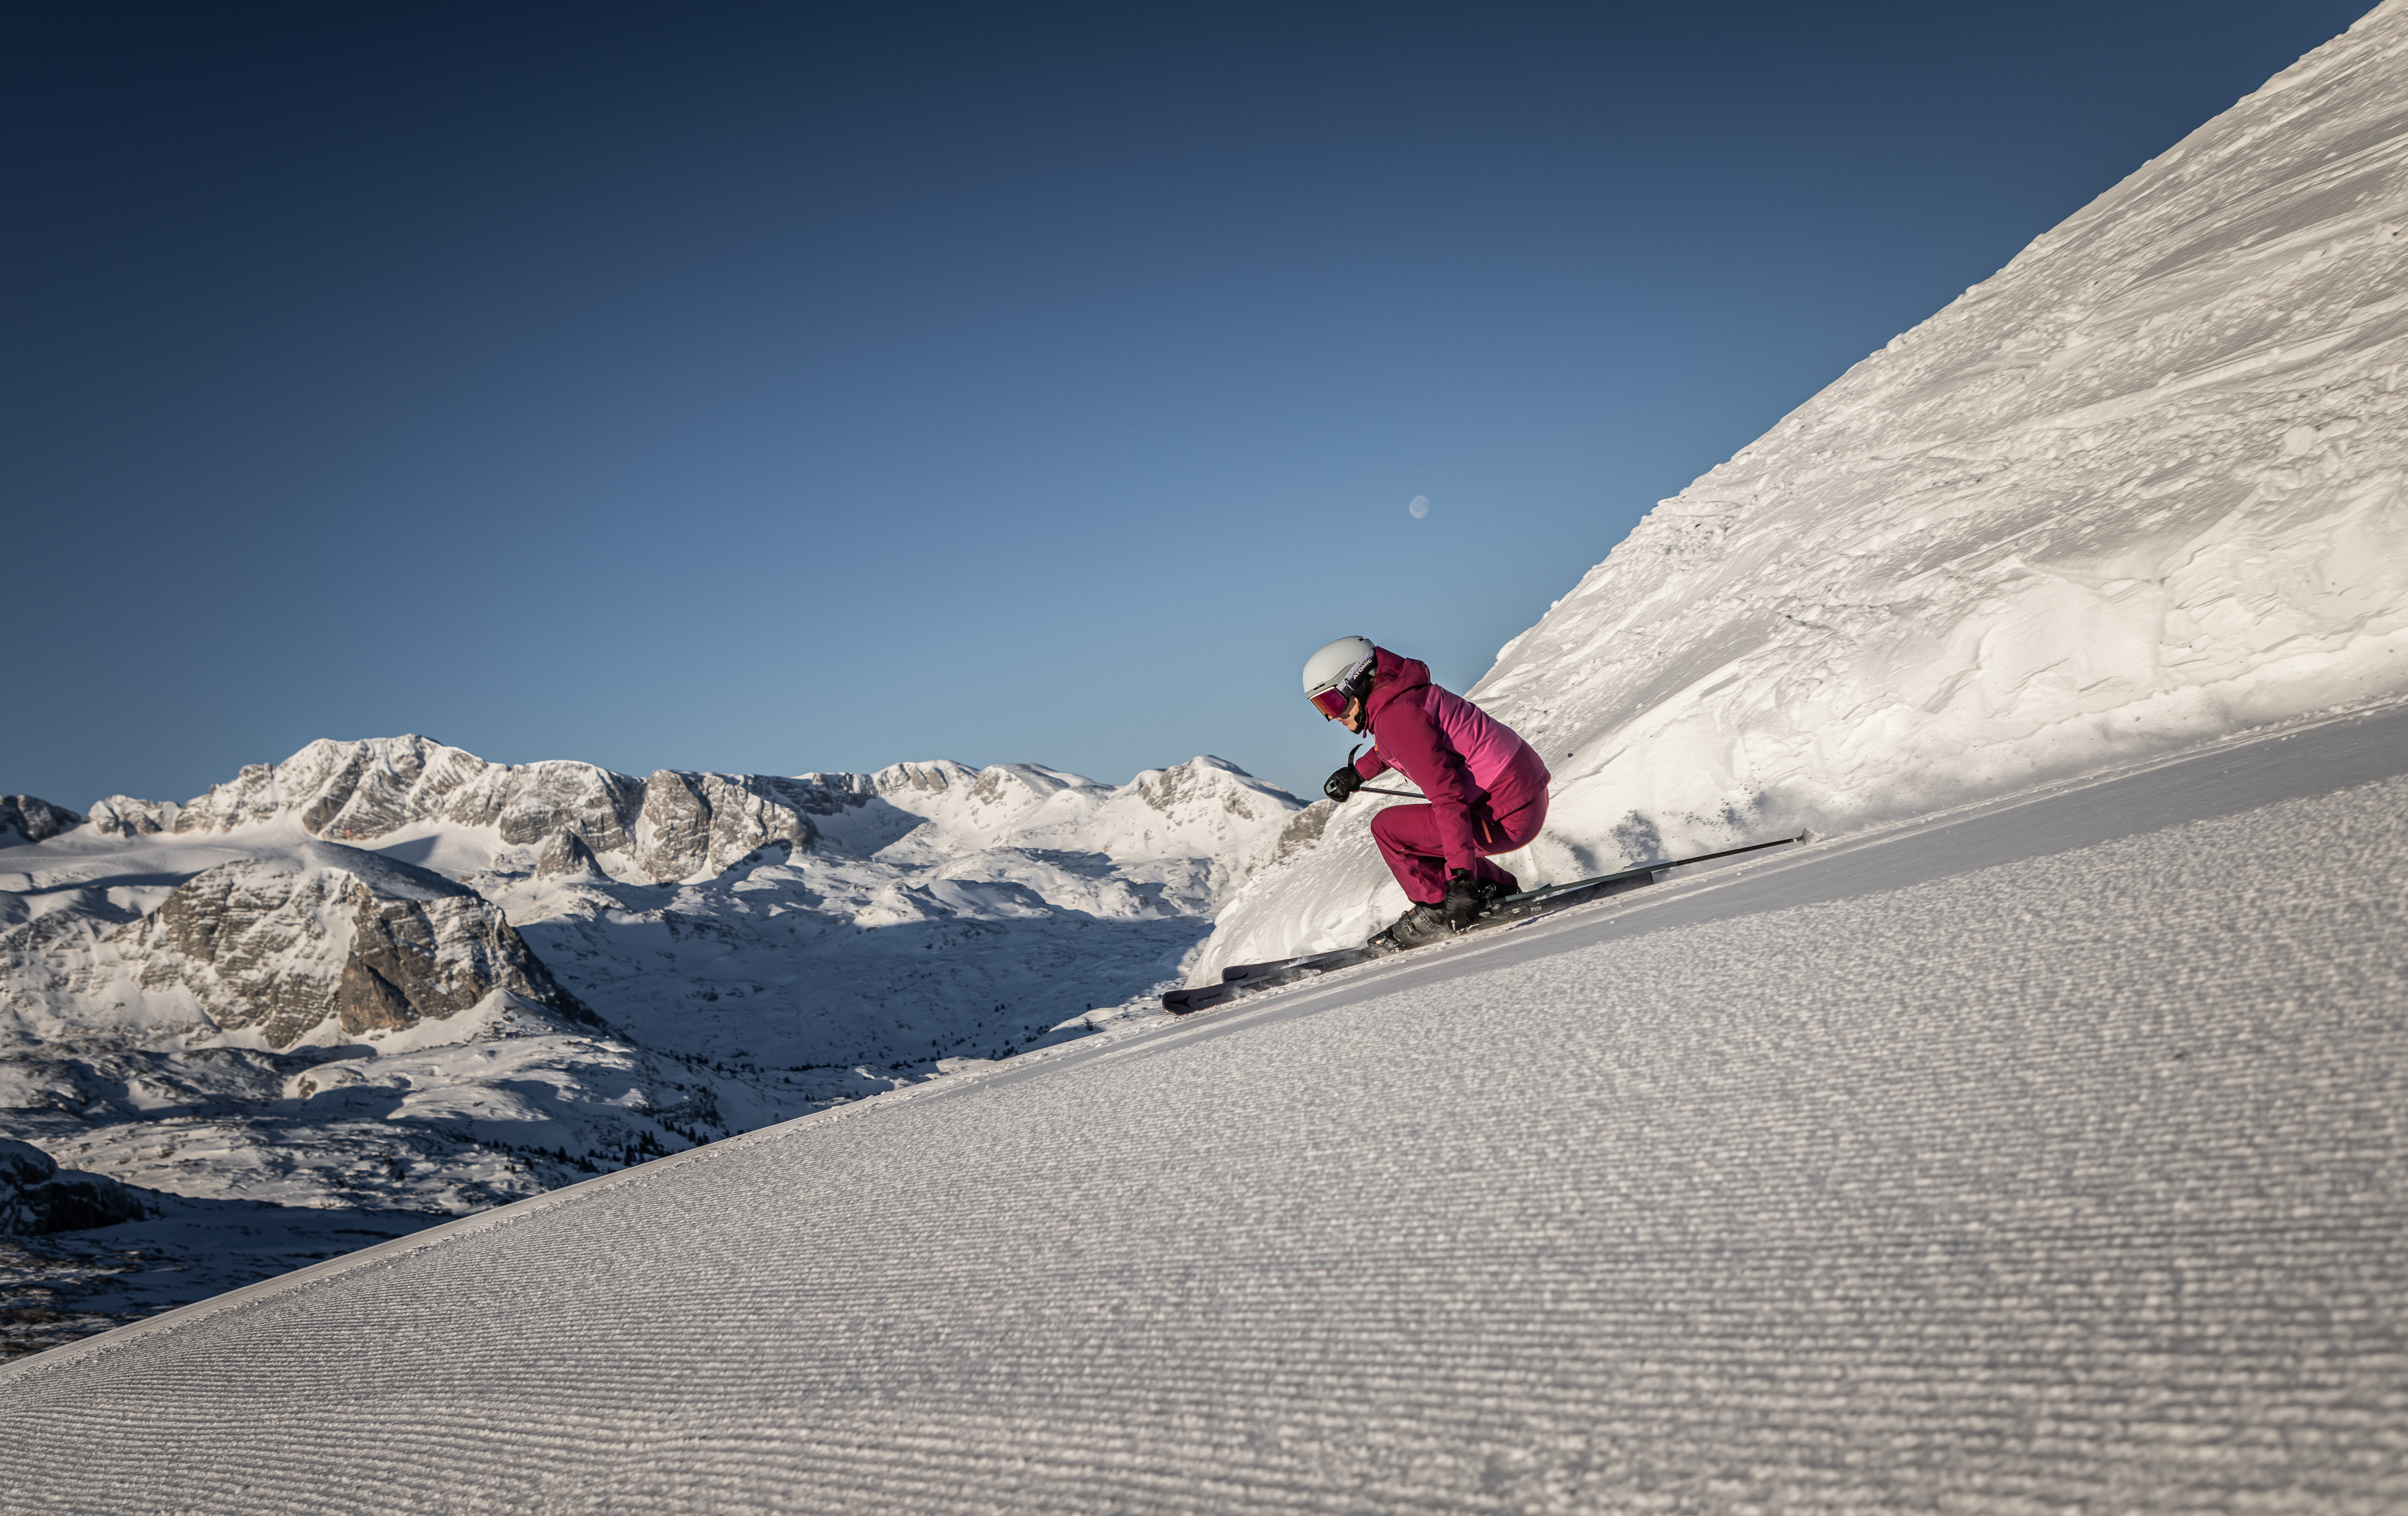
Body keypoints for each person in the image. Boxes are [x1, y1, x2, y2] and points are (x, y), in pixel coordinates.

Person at [1300, 635, 1552, 949]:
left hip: (1504, 816)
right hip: (1523, 796)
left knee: (1388, 830)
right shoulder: (1407, 698)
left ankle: (1437, 907)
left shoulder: (1397, 718)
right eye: (1321, 708)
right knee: (1424, 831)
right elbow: (1402, 746)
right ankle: (1494, 888)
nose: (1332, 716)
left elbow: (1448, 797)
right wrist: (1357, 773)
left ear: (1359, 680)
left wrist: (1462, 880)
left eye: (1332, 702)